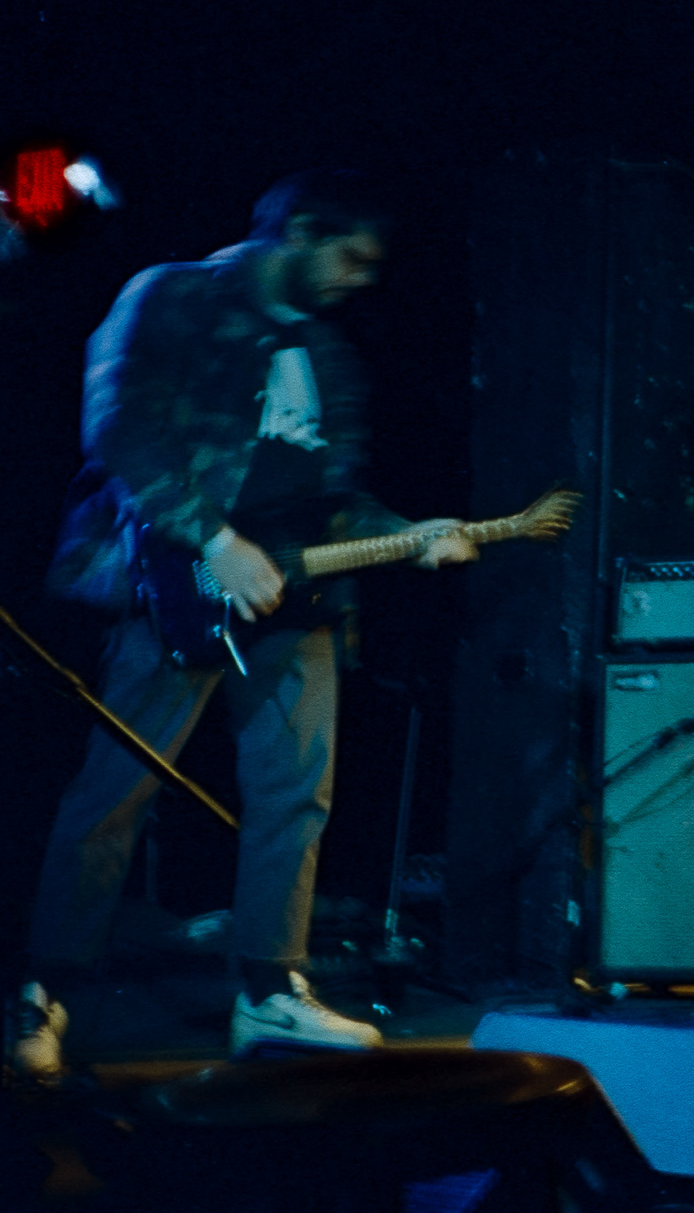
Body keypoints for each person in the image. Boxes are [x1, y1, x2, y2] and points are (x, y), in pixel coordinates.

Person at [7, 170, 477, 1083]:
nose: (360, 278)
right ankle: (47, 991)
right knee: (117, 793)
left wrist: (409, 537)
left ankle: (269, 994)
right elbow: (121, 430)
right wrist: (213, 539)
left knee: (296, 793)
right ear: (299, 230)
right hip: (175, 586)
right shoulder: (176, 296)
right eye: (349, 257)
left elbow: (338, 502)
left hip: (296, 601)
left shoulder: (331, 359)